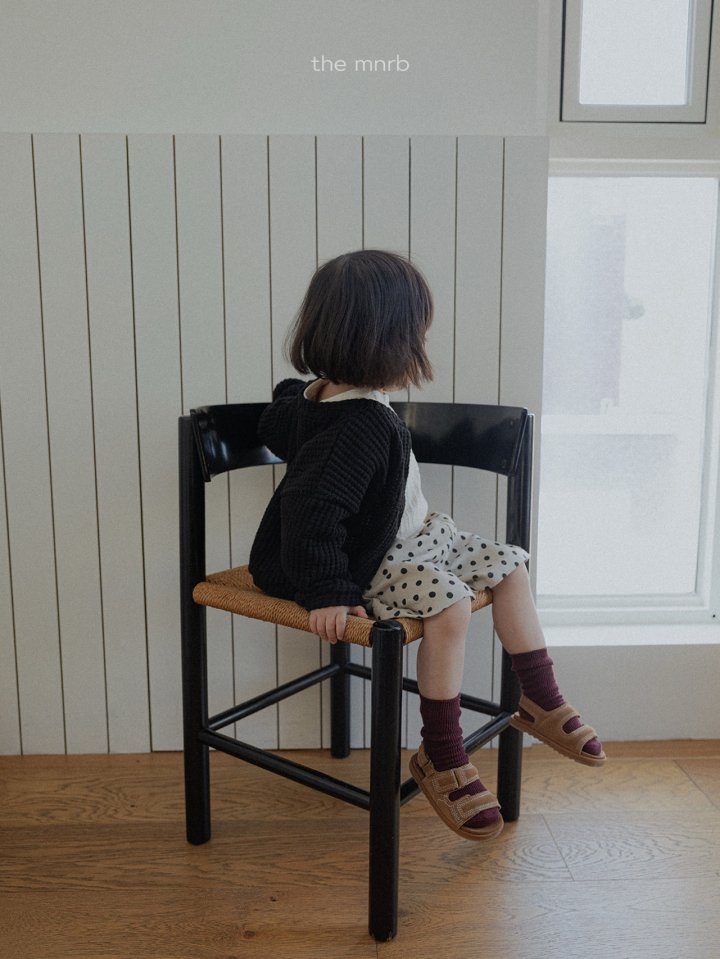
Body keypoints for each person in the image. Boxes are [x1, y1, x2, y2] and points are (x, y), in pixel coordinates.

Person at [248, 249, 605, 841]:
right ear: (383, 342)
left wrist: (294, 395)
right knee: (451, 605)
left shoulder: (320, 398)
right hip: (370, 562)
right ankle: (441, 752)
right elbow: (312, 511)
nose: (419, 347)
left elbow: (280, 418)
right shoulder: (359, 422)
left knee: (509, 567)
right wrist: (328, 591)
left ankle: (539, 698)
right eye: (415, 335)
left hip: (416, 535)